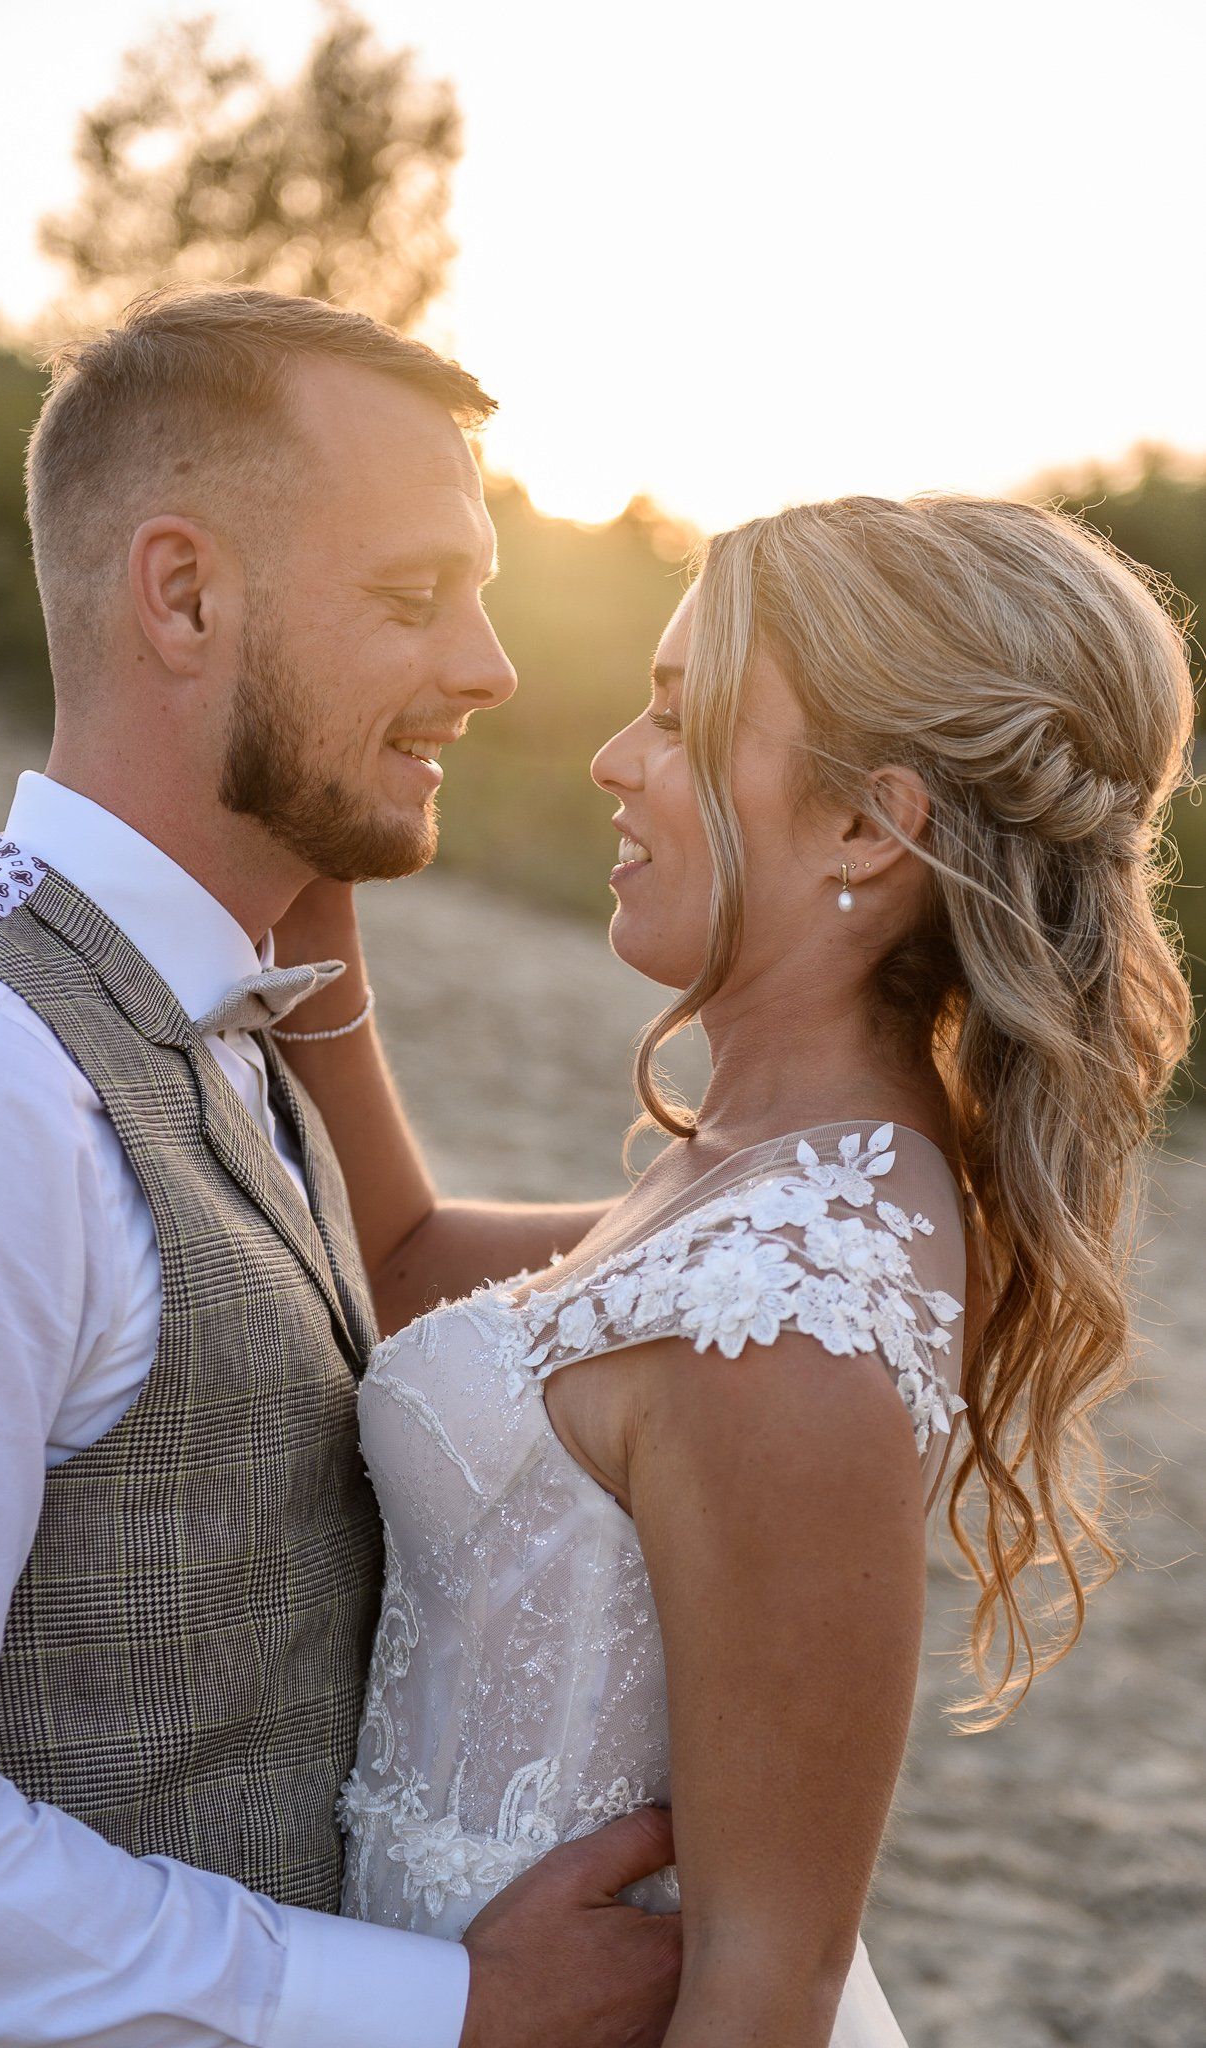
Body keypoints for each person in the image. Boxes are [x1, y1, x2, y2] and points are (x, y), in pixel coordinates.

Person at [0, 290, 681, 2048]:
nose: (490, 670)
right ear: (183, 593)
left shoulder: (230, 994)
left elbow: (399, 1265)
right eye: (409, 598)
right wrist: (446, 2010)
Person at [270, 494, 1196, 2044]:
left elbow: (767, 1981)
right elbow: (410, 1258)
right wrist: (321, 866)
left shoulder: (797, 1310)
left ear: (863, 826)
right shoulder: (761, 1181)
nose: (613, 761)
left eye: (677, 717)